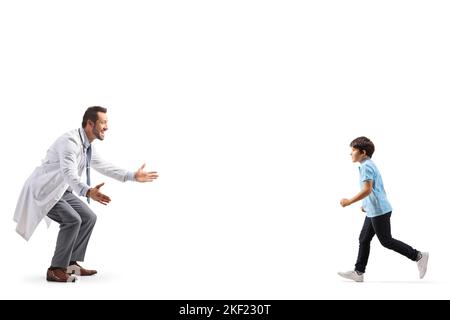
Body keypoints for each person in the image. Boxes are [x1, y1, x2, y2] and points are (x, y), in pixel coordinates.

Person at [13, 106, 159, 282]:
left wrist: (132, 176)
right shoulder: (70, 142)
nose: (107, 127)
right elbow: (69, 173)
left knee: (88, 217)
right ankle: (55, 269)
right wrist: (88, 191)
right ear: (90, 123)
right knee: (72, 219)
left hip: (62, 190)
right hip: (44, 190)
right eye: (103, 122)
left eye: (107, 122)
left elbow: (103, 166)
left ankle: (70, 264)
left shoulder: (87, 146)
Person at [338, 136, 428, 282]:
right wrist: (366, 205)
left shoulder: (366, 166)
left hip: (379, 211)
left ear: (363, 152)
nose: (351, 153)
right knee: (364, 238)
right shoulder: (367, 164)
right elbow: (374, 190)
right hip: (373, 210)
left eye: (353, 150)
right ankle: (359, 272)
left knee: (386, 241)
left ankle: (419, 255)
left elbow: (367, 190)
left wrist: (349, 201)